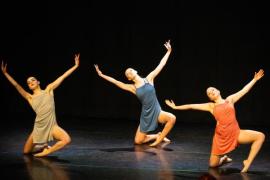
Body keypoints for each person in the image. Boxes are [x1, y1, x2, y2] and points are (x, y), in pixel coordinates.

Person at [165, 69, 265, 172]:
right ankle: (224, 159)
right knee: (213, 165)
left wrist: (254, 80)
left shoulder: (229, 100)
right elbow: (191, 106)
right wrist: (176, 107)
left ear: (217, 90)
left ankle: (248, 162)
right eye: (209, 93)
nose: (211, 92)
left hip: (235, 133)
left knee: (260, 136)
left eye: (212, 89)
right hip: (220, 138)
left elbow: (244, 90)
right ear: (210, 97)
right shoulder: (211, 106)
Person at [94, 40, 176, 147]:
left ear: (135, 71)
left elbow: (161, 64)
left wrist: (169, 51)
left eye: (130, 70)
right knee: (138, 141)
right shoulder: (132, 88)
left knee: (172, 118)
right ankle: (157, 135)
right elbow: (115, 82)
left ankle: (159, 140)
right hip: (146, 116)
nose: (129, 72)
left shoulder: (149, 78)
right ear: (129, 78)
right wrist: (101, 75)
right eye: (127, 73)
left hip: (157, 111)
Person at [1, 54, 80, 157]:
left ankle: (47, 151)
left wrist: (75, 66)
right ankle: (42, 146)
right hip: (38, 128)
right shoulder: (30, 97)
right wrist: (5, 73)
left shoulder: (48, 89)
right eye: (28, 82)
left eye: (32, 80)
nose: (30, 82)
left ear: (38, 82)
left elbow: (63, 76)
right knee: (26, 152)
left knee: (66, 140)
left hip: (52, 126)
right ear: (29, 87)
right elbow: (16, 85)